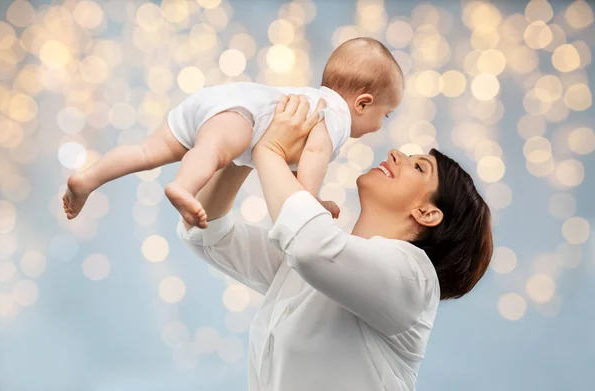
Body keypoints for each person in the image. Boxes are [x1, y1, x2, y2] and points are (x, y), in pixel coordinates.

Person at [178, 95, 493, 391]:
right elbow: (208, 234)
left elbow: (310, 247)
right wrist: (249, 144)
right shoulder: (316, 264)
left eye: (418, 166)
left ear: (427, 213)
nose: (396, 154)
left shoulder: (414, 280)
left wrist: (270, 148)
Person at [62, 37, 404, 228]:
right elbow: (313, 158)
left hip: (216, 100)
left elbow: (287, 167)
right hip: (241, 116)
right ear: (362, 103)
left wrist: (311, 196)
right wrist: (308, 201)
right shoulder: (337, 117)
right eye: (384, 115)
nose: (379, 126)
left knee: (147, 152)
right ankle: (184, 185)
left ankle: (87, 179)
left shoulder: (312, 101)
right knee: (211, 152)